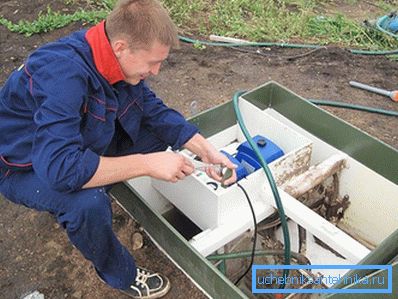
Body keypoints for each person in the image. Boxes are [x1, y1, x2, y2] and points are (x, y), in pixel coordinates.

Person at [0, 0, 236, 298]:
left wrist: (204, 149)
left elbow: (150, 108)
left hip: (67, 145)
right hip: (24, 165)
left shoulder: (108, 53)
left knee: (151, 134)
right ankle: (121, 274)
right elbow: (59, 169)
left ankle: (89, 183)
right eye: (152, 63)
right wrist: (147, 164)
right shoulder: (63, 75)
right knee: (86, 203)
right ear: (122, 46)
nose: (157, 71)